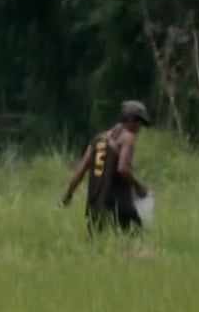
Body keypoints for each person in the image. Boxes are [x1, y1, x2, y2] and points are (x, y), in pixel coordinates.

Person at [61, 100, 154, 234]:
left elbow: (80, 172)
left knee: (97, 248)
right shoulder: (128, 137)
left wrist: (67, 196)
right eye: (139, 122)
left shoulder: (98, 139)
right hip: (118, 203)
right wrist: (139, 187)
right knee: (135, 241)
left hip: (94, 206)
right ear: (131, 120)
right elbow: (122, 168)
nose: (139, 128)